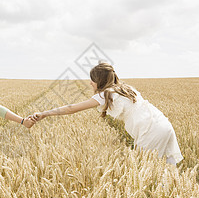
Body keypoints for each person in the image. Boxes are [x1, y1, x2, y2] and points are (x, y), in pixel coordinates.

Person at [33, 63, 183, 165]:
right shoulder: (124, 88)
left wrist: (45, 113)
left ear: (100, 80)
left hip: (149, 130)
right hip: (162, 123)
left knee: (146, 171)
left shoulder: (106, 94)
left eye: (93, 79)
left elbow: (72, 108)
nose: (90, 83)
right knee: (168, 169)